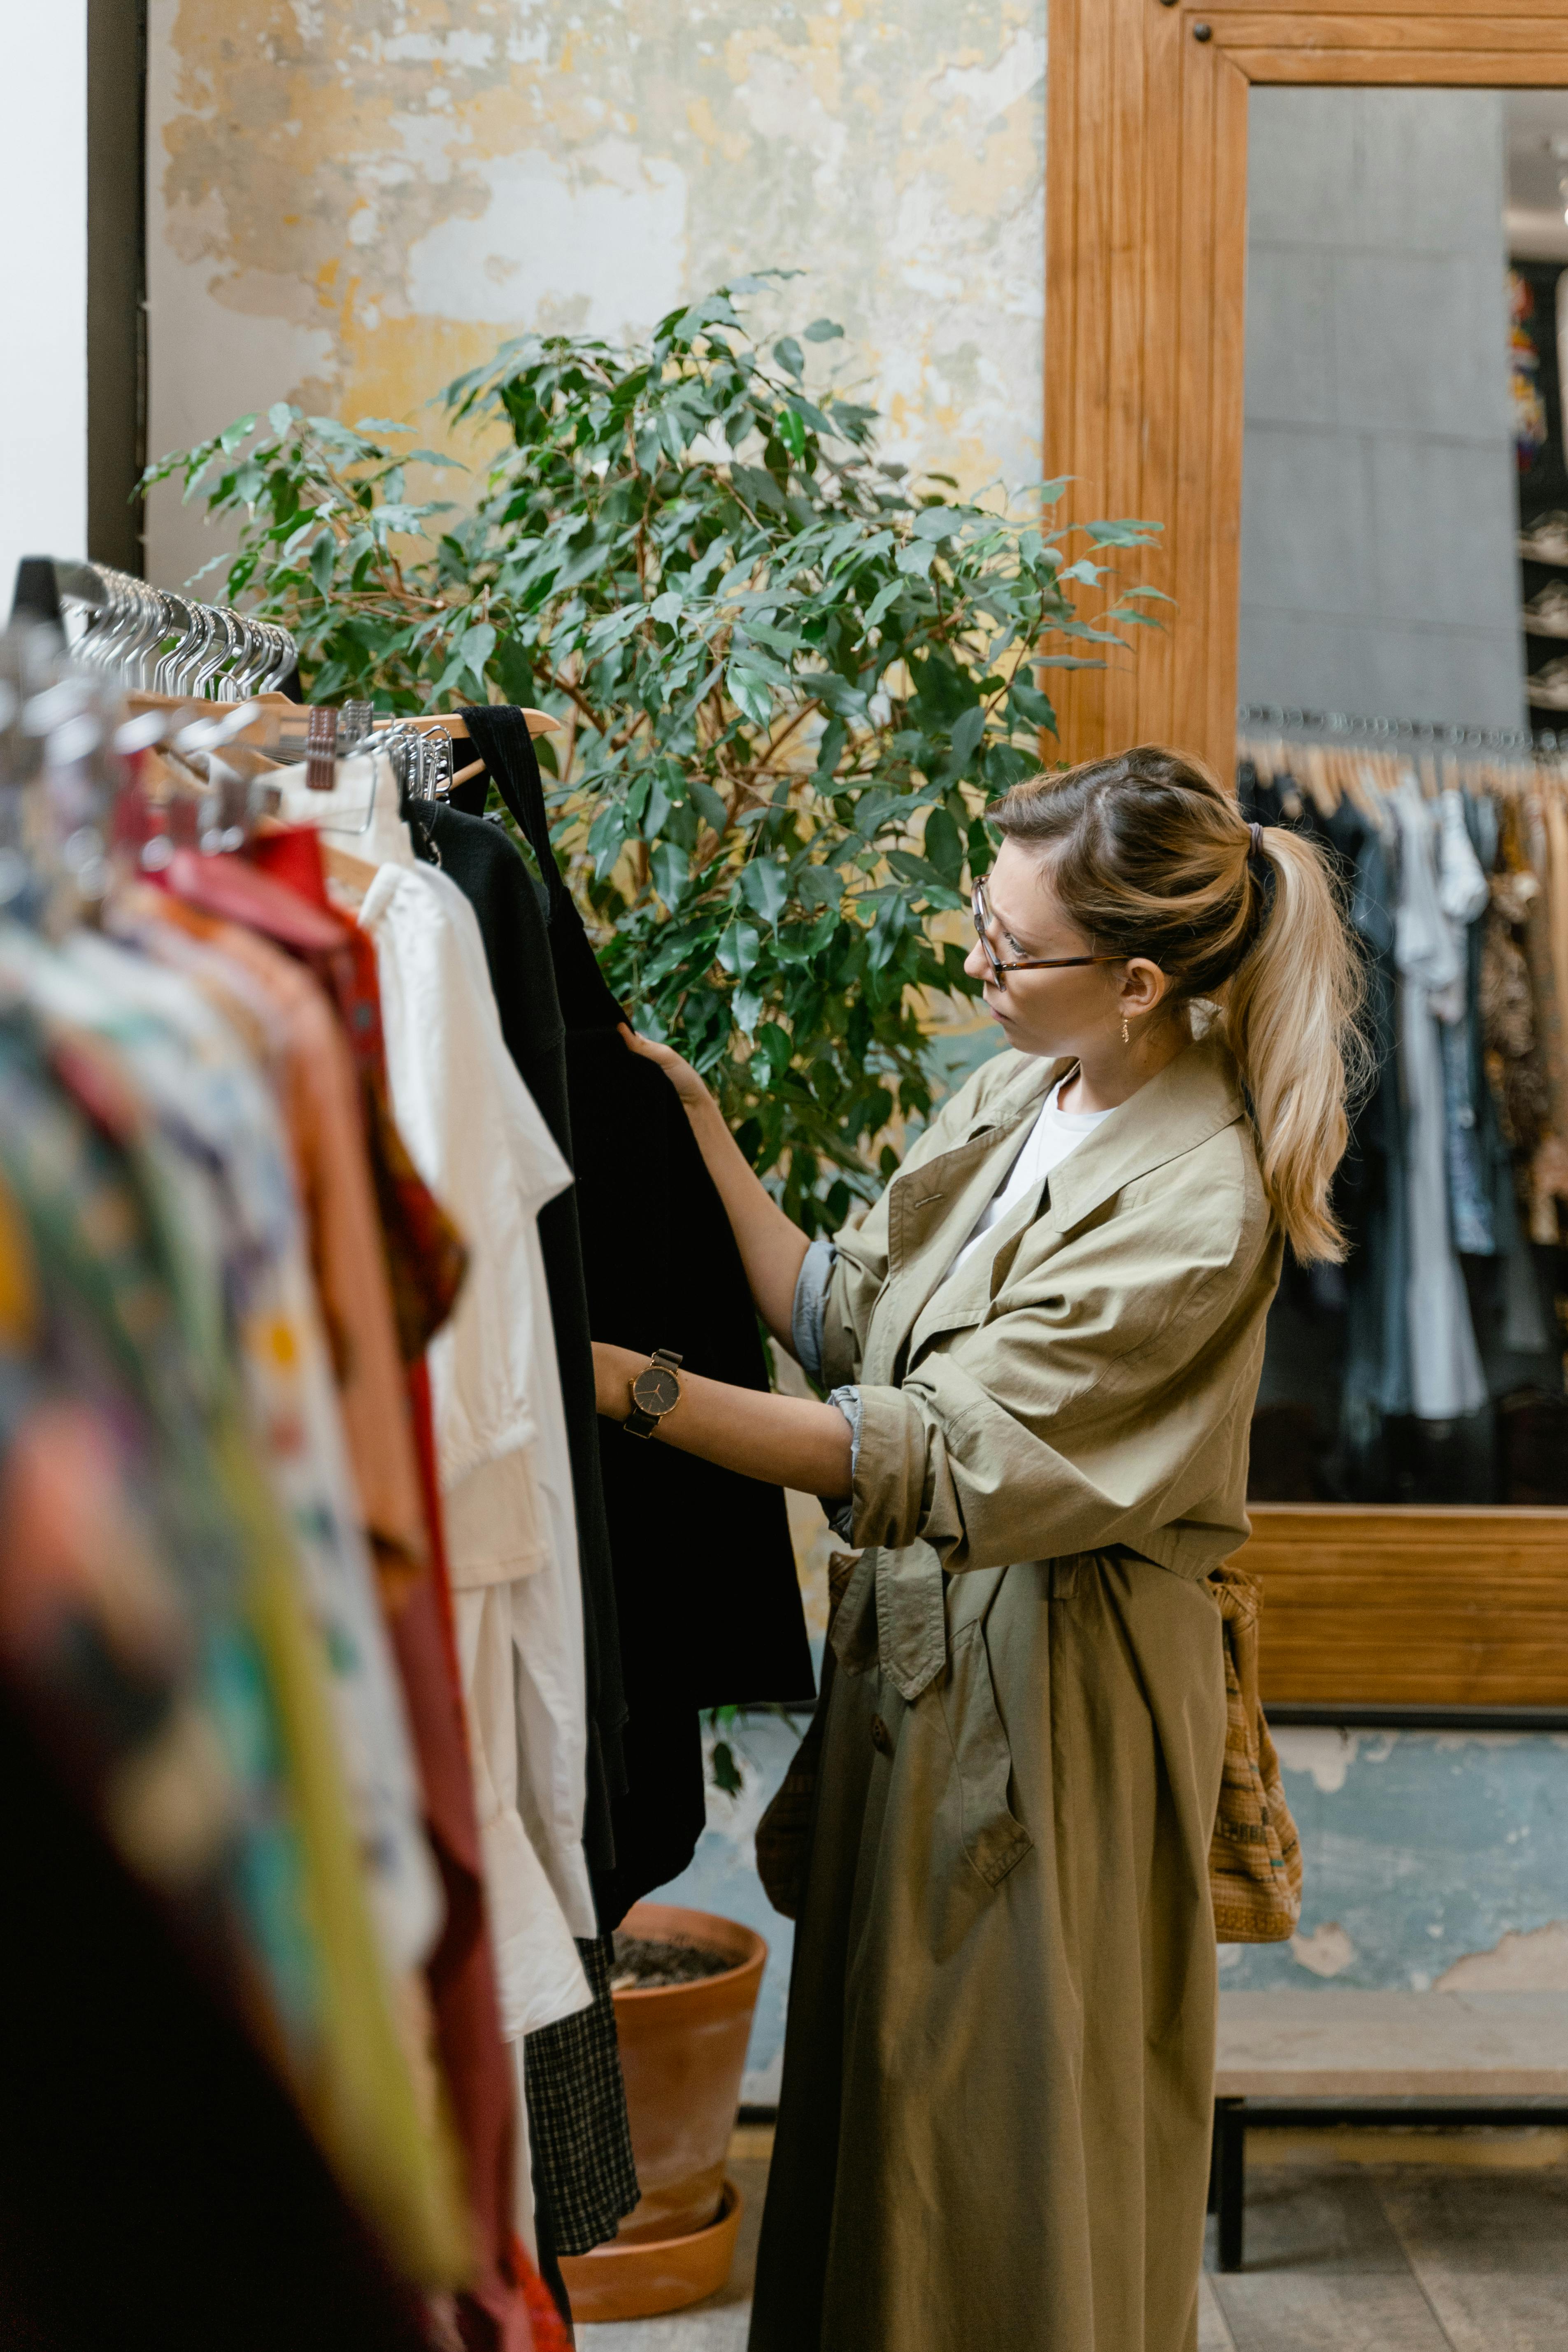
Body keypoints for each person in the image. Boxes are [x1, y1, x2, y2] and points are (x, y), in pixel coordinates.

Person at [591, 746, 1363, 2352]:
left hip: (1052, 1726)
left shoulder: (1197, 1205)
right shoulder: (1029, 1089)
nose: (973, 959)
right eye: (978, 915)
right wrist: (697, 1131)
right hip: (931, 1679)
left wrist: (625, 1388)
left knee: (1001, 2151)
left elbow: (919, 1454)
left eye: (1007, 946)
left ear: (1137, 981)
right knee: (894, 2120)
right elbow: (848, 1315)